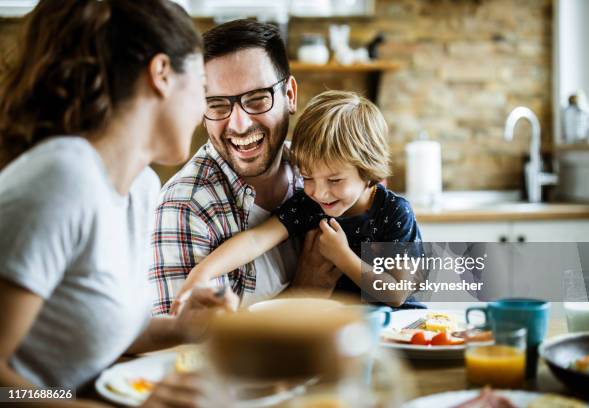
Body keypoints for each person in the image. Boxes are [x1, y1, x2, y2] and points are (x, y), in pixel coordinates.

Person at [0, 0, 237, 405]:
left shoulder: (141, 188)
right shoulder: (62, 178)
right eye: (201, 88)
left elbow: (94, 327)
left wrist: (183, 328)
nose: (203, 111)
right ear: (161, 74)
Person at [150, 19, 341, 314]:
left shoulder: (326, 175)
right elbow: (187, 352)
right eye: (217, 105)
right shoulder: (185, 206)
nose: (239, 124)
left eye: (257, 99)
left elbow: (413, 285)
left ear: (289, 95)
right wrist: (306, 291)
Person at [172, 91, 423, 311]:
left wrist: (342, 255)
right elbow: (256, 239)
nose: (319, 192)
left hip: (399, 330)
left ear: (369, 171)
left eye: (334, 180)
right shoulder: (309, 205)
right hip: (342, 328)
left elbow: (396, 294)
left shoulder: (394, 212)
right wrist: (201, 273)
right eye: (308, 177)